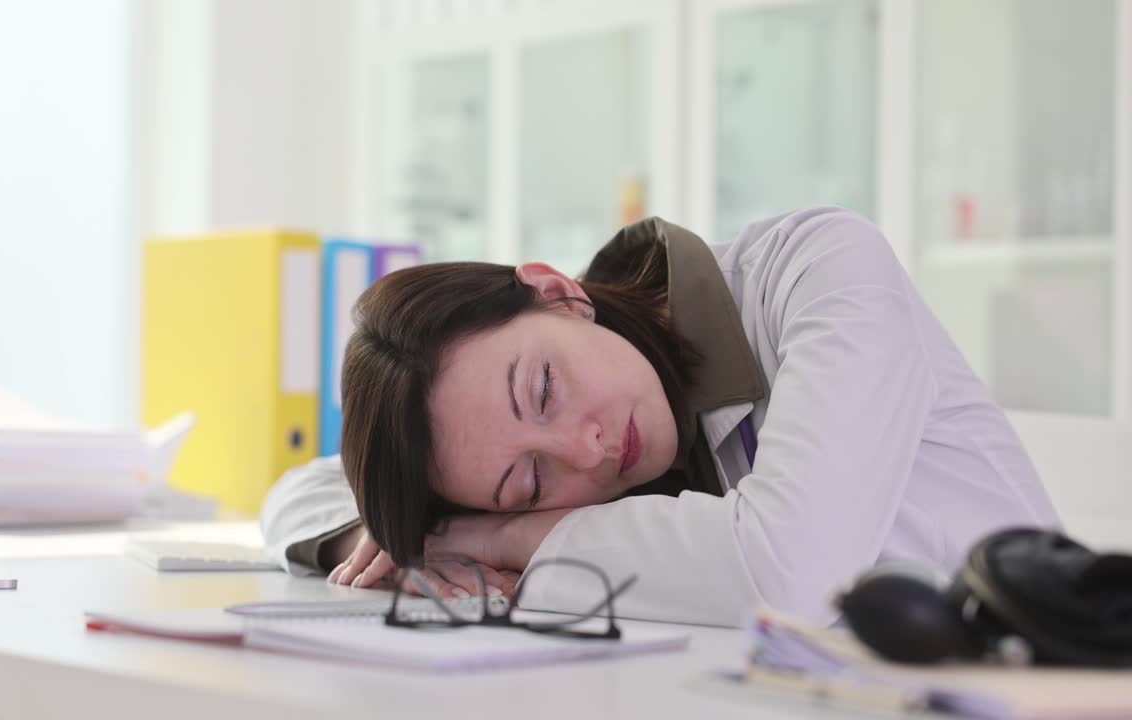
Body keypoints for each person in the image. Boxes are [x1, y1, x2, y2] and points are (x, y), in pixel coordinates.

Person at [260, 206, 1059, 626]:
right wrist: (387, 534)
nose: (589, 447)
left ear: (556, 291)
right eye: (527, 478)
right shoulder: (554, 452)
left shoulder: (818, 267)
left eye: (543, 387)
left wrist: (494, 534)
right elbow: (296, 491)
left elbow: (792, 572)